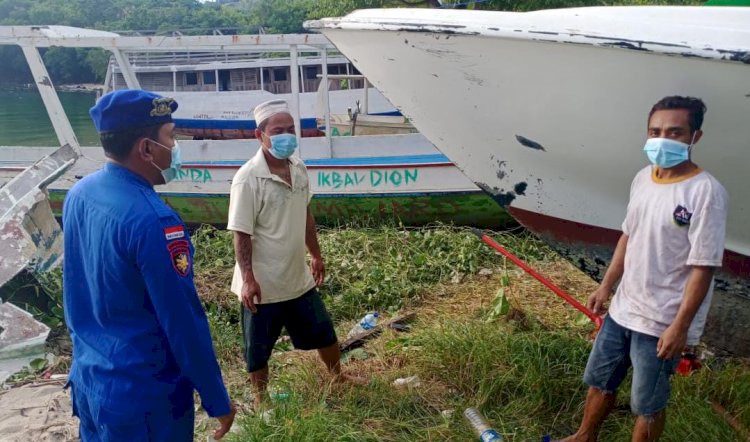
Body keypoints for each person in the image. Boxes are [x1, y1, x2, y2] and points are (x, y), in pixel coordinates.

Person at [63, 89, 236, 441]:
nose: (175, 147)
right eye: (170, 137)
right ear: (146, 149)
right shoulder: (155, 222)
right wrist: (217, 399)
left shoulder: (79, 194)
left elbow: (76, 286)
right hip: (144, 398)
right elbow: (183, 321)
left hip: (90, 380)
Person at [558, 96, 728, 442]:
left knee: (646, 403)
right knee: (600, 380)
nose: (662, 139)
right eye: (655, 131)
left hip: (662, 321)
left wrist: (680, 328)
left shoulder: (705, 192)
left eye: (675, 132)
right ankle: (584, 436)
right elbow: (628, 236)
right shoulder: (643, 178)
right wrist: (606, 286)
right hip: (624, 309)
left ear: (695, 137)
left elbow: (703, 266)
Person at [227, 99, 364, 410]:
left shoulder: (298, 167)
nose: (286, 135)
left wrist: (315, 254)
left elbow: (305, 215)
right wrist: (248, 279)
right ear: (259, 135)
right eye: (278, 130)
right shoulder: (247, 179)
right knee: (257, 350)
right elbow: (241, 233)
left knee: (324, 331)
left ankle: (337, 377)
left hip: (296, 276)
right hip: (262, 285)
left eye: (291, 129)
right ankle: (262, 402)